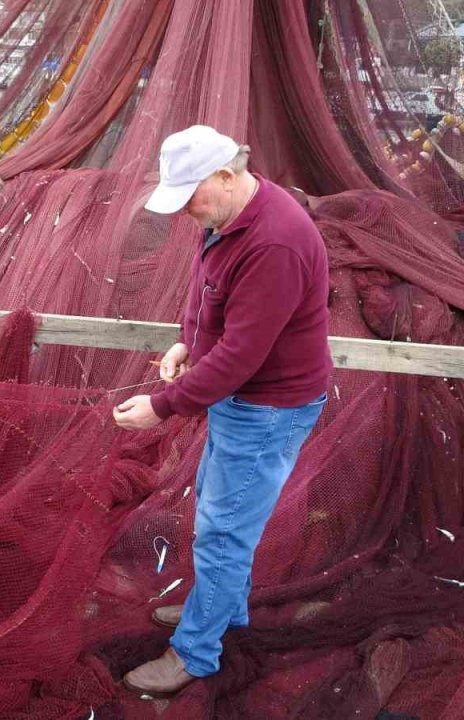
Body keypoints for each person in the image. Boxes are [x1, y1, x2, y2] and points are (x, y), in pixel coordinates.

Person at [112, 125, 333, 697]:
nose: (187, 211)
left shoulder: (275, 241)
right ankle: (220, 609)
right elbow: (205, 283)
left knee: (223, 531)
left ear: (227, 176)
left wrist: (163, 407)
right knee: (218, 507)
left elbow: (241, 354)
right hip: (240, 402)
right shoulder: (226, 218)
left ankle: (195, 651)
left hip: (268, 406)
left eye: (192, 197)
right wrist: (188, 339)